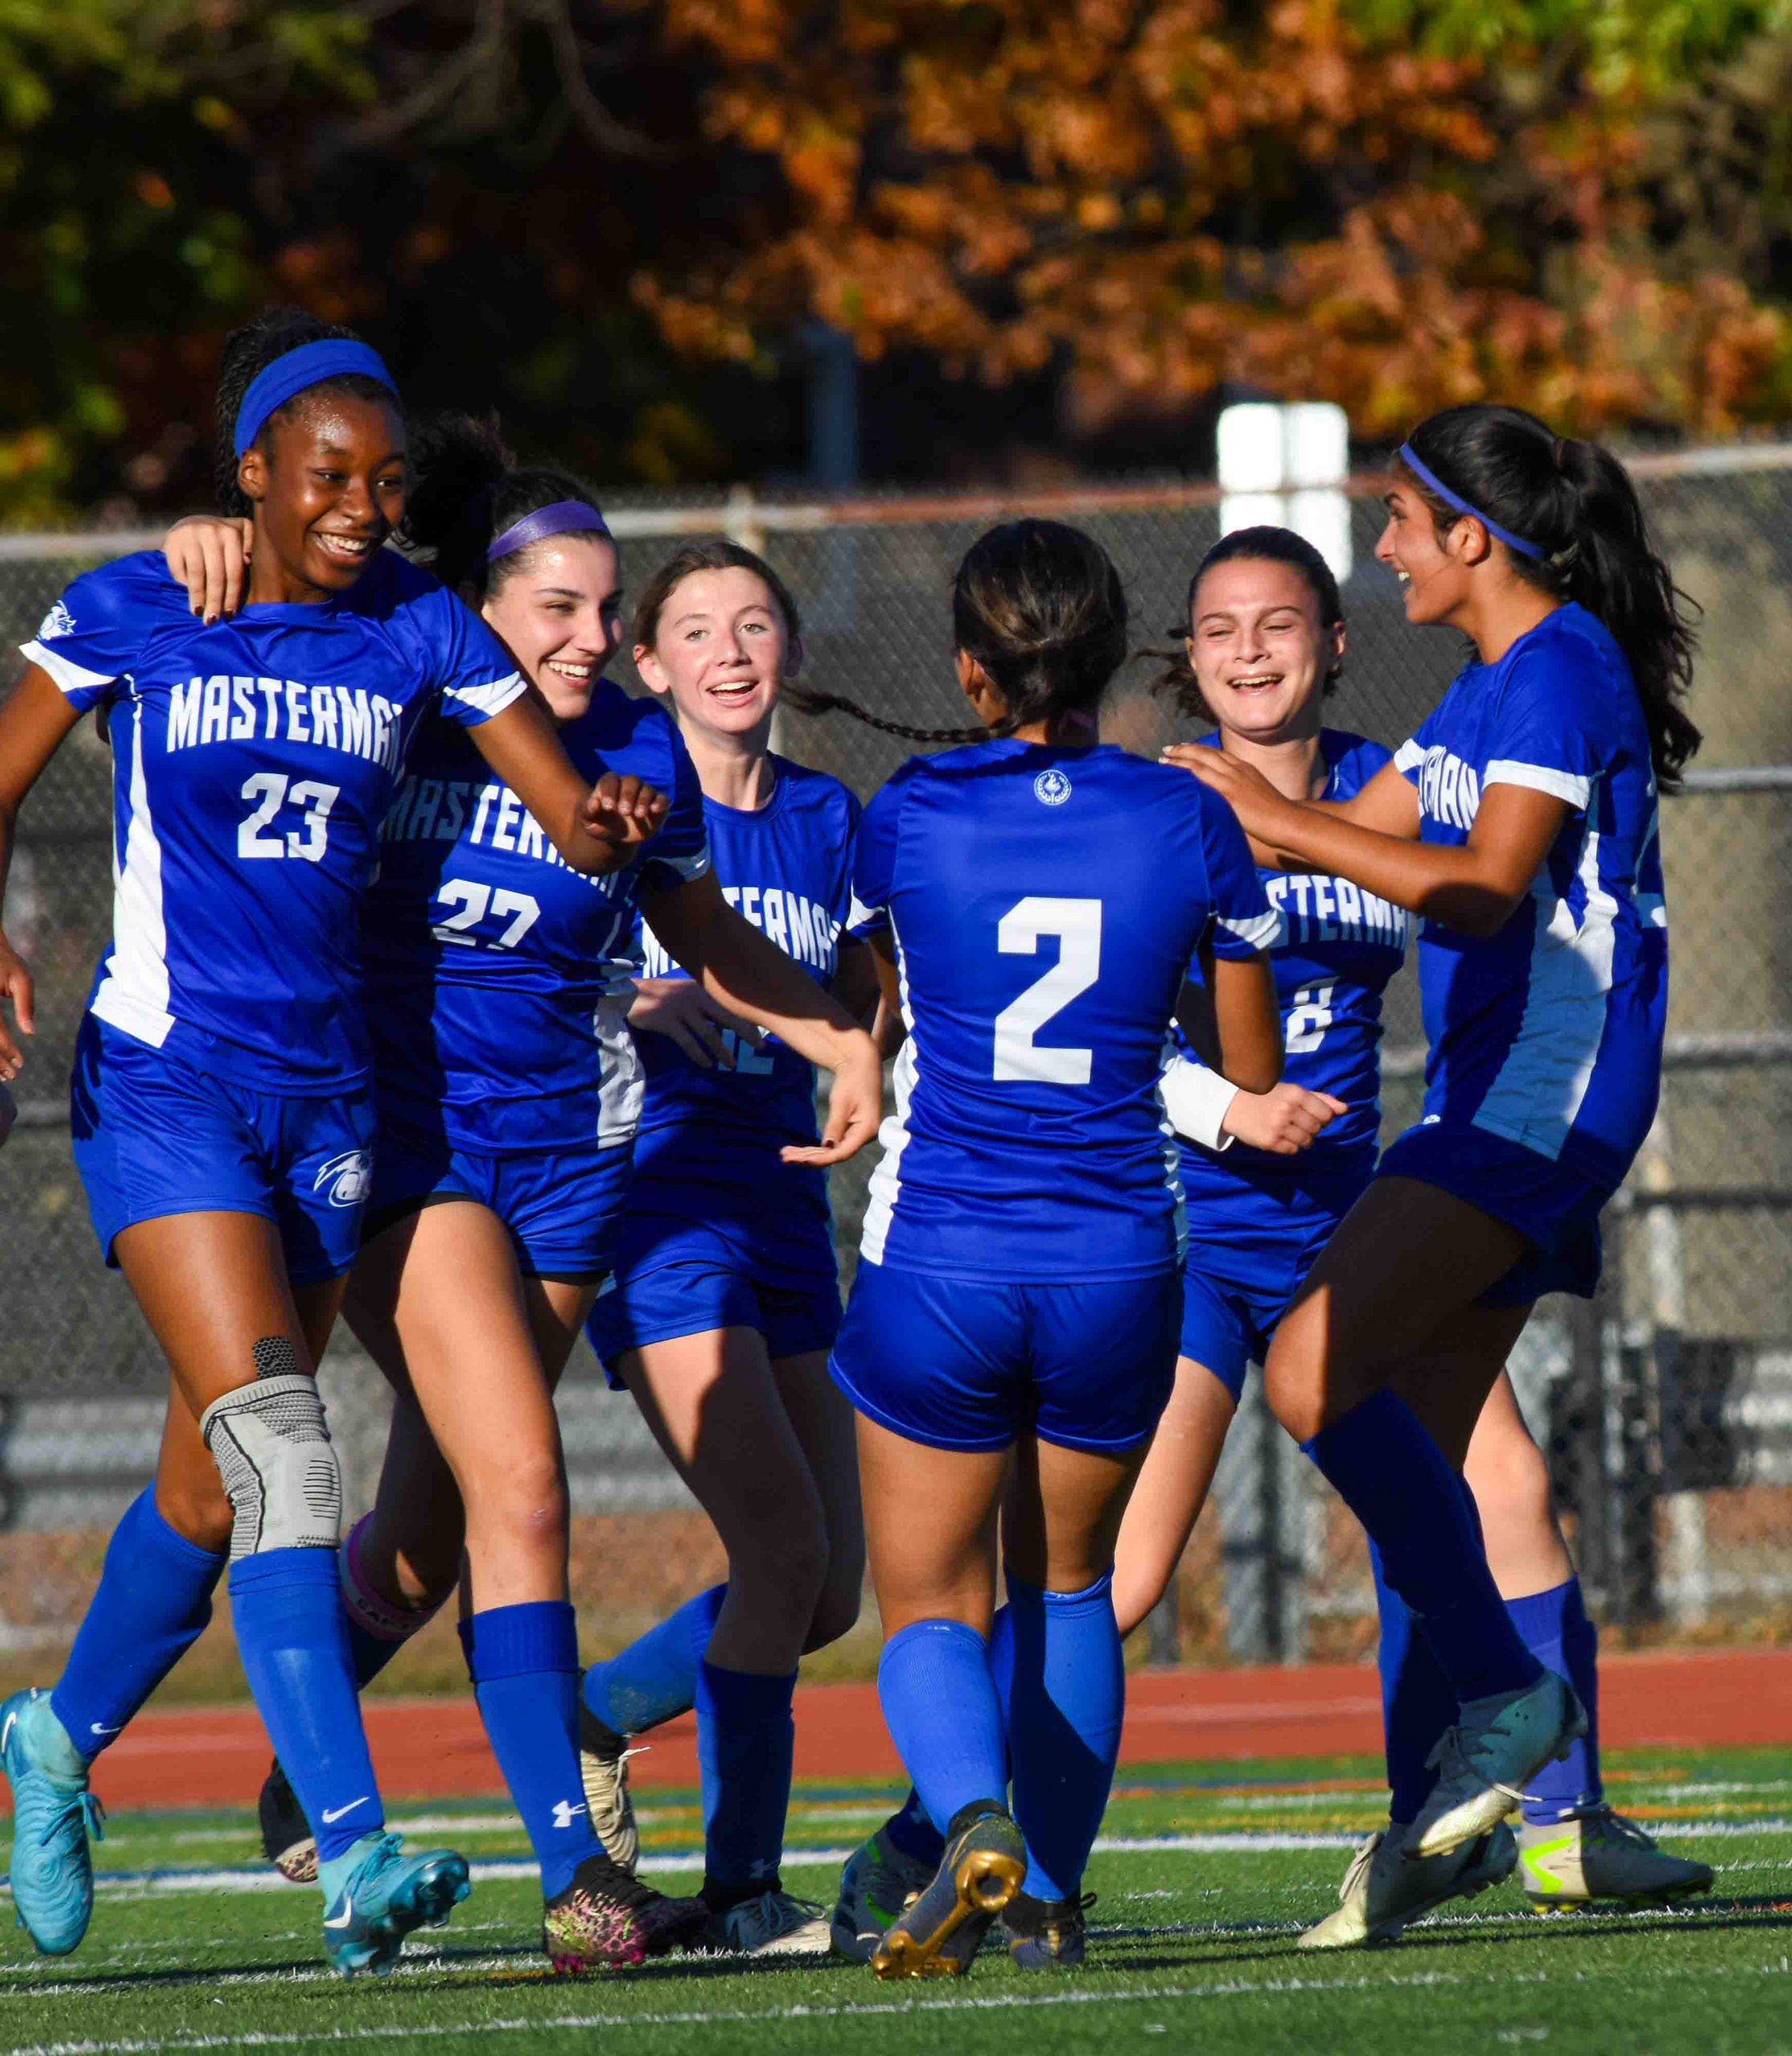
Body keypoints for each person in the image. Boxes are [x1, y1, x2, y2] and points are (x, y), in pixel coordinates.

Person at [161, 435, 885, 1967]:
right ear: (474, 606)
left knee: (428, 1538)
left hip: (570, 1169)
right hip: (411, 1158)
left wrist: (832, 1034)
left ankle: (307, 1741)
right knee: (533, 1491)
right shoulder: (387, 701)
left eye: (607, 608)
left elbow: (697, 930)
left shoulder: (637, 752)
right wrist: (203, 547)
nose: (589, 639)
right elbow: (223, 695)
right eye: (556, 605)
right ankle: (586, 1874)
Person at [0, 310, 646, 1972]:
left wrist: (614, 820)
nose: (361, 503)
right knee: (291, 1449)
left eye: (381, 477)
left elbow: (563, 802)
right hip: (167, 1079)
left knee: (210, 1493)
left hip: (334, 1101)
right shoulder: (150, 602)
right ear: (254, 478)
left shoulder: (422, 624)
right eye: (326, 475)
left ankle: (57, 1741)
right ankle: (354, 1851)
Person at [1165, 402, 1699, 1945]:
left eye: (1399, 519)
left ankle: (1505, 1713)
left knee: (1316, 1378)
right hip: (1498, 1100)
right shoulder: (1480, 693)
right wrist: (1128, 815)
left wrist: (1269, 819)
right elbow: (1328, 835)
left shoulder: (1559, 669)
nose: (1384, 542)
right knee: (1466, 1454)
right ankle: (1515, 1813)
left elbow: (1473, 887)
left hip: (1543, 1102)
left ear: (1474, 538)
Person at [822, 518, 1283, 1980]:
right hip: (1116, 1262)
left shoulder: (900, 814)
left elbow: (870, 1012)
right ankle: (1057, 1906)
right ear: (1111, 654)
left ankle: (969, 1823)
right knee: (1070, 1587)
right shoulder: (1187, 814)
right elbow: (1248, 1065)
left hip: (942, 1258)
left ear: (970, 666)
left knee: (930, 1613)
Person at [563, 542, 875, 1956]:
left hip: (787, 1212)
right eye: (698, 628)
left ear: (789, 650)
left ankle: (597, 1714)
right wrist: (642, 1004)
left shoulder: (827, 816)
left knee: (826, 1594)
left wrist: (874, 1037)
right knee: (781, 1544)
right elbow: (532, 980)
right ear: (652, 665)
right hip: (663, 1207)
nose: (733, 649)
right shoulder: (623, 811)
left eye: (757, 623)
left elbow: (862, 989)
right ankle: (744, 1891)